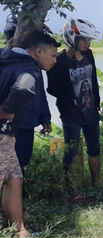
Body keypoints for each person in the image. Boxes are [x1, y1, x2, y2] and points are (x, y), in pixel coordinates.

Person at [0, 31, 60, 238]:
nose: (55, 60)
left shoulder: (5, 58)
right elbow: (24, 88)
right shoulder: (30, 68)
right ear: (38, 51)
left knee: (14, 178)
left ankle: (19, 232)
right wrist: (6, 109)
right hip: (2, 132)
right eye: (52, 55)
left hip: (8, 134)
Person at [47, 18, 102, 185]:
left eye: (89, 39)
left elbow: (93, 80)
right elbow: (52, 89)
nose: (87, 43)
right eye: (84, 39)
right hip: (71, 113)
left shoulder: (89, 55)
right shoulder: (59, 61)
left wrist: (97, 102)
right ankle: (72, 187)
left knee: (94, 148)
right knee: (71, 151)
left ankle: (97, 183)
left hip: (90, 110)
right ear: (72, 38)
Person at [2, 16, 52, 172]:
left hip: (28, 122)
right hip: (11, 122)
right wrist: (6, 110)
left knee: (22, 160)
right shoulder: (5, 61)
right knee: (10, 164)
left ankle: (20, 192)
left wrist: (45, 118)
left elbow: (40, 93)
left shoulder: (33, 66)